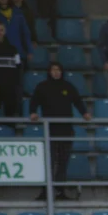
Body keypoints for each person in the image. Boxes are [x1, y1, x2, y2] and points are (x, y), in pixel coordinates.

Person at [29, 63, 90, 201]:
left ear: (62, 72)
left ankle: (59, 191)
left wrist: (85, 113)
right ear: (49, 72)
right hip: (49, 130)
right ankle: (45, 192)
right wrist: (32, 112)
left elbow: (78, 101)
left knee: (63, 162)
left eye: (58, 70)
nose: (56, 73)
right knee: (48, 162)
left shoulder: (68, 86)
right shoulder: (42, 86)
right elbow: (34, 102)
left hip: (66, 130)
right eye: (53, 70)